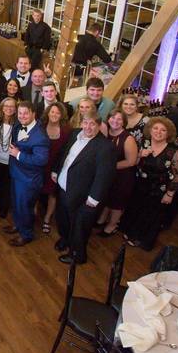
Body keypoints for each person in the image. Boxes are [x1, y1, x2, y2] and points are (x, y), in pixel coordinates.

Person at [51, 113, 115, 264]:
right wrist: (55, 170)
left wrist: (94, 198)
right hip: (63, 186)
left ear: (99, 126)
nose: (88, 127)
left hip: (83, 195)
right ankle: (65, 240)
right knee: (63, 219)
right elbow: (63, 154)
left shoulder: (106, 147)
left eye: (92, 124)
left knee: (79, 227)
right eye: (85, 123)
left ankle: (77, 255)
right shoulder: (74, 134)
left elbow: (104, 175)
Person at [120, 117, 178, 251]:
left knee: (151, 216)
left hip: (158, 190)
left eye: (163, 130)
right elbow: (134, 163)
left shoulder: (174, 152)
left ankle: (142, 239)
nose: (158, 132)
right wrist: (140, 155)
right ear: (150, 130)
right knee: (136, 210)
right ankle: (131, 234)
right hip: (140, 185)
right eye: (155, 128)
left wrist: (169, 194)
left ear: (168, 133)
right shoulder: (144, 144)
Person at [4, 101, 50, 247]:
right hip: (16, 174)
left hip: (29, 179)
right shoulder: (18, 126)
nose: (22, 116)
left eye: (26, 113)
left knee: (25, 207)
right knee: (17, 204)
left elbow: (41, 160)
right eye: (20, 113)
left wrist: (18, 155)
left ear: (33, 114)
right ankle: (18, 225)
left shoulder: (40, 136)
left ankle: (26, 234)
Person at [95, 110, 139, 237]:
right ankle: (102, 220)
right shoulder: (104, 132)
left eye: (119, 119)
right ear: (108, 119)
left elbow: (131, 161)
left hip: (122, 176)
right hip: (107, 175)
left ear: (124, 122)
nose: (115, 121)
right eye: (113, 118)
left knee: (117, 203)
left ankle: (112, 225)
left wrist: (108, 167)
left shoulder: (128, 138)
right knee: (106, 198)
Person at [40, 102, 71, 236]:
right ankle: (33, 212)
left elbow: (67, 152)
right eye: (52, 112)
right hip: (40, 165)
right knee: (36, 189)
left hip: (55, 167)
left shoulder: (66, 130)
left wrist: (58, 170)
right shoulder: (40, 126)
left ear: (62, 115)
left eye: (58, 113)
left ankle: (47, 218)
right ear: (48, 112)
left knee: (53, 193)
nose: (54, 115)